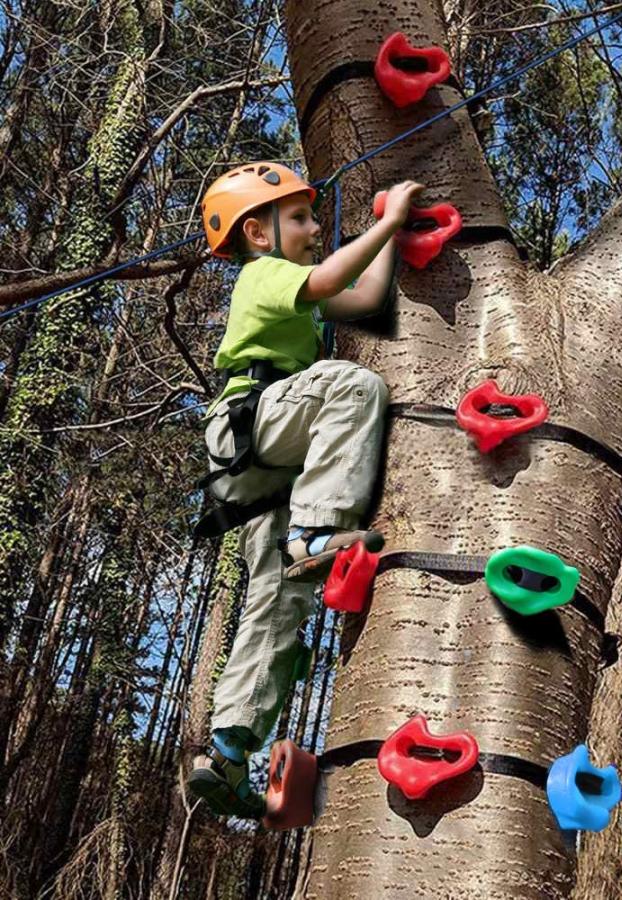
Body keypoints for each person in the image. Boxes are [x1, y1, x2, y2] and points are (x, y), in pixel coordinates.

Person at [187, 161, 423, 818]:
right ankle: (316, 530)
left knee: (276, 595)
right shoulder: (262, 276)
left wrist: (387, 231)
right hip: (254, 422)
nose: (316, 227)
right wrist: (392, 223)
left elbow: (364, 296)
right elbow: (329, 278)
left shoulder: (291, 286)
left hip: (269, 466)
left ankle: (230, 751)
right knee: (355, 385)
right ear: (258, 234)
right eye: (300, 218)